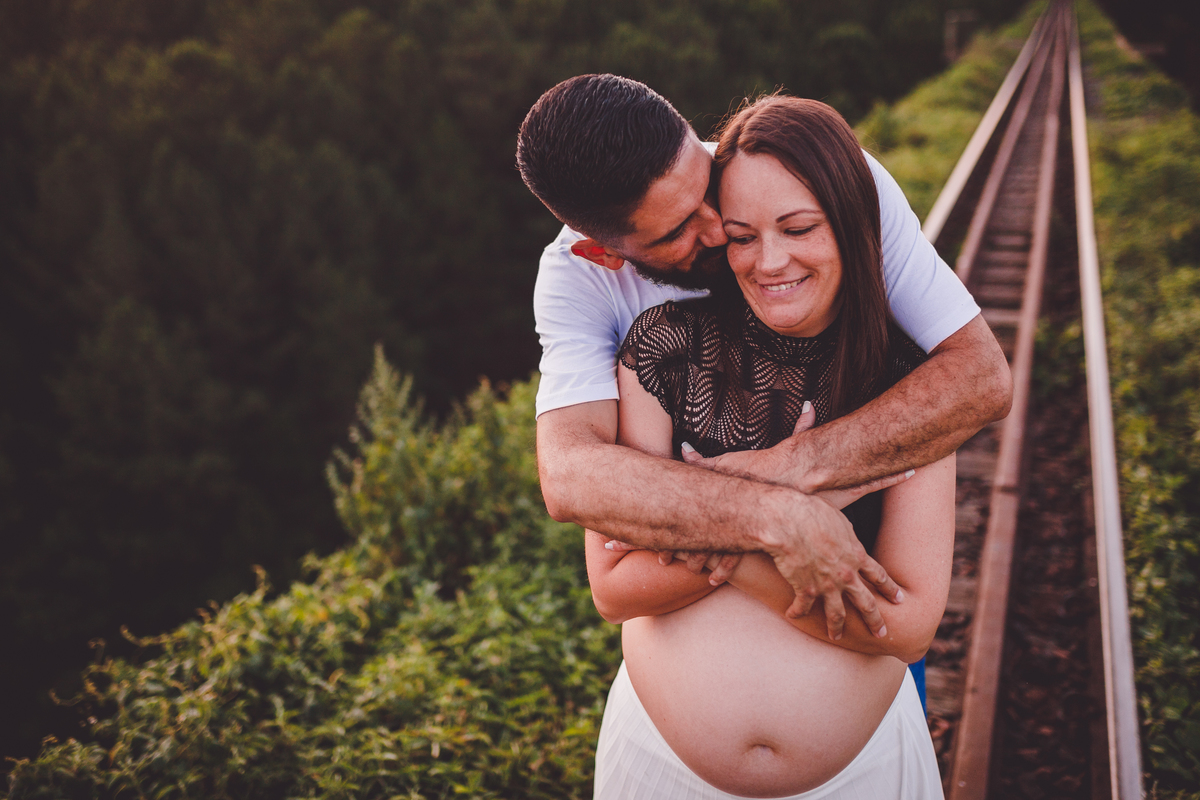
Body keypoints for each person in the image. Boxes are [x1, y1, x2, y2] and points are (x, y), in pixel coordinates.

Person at [516, 74, 1009, 637]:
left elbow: (980, 376)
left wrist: (786, 468)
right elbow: (571, 473)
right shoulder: (575, 280)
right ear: (604, 254)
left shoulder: (825, 178)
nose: (719, 229)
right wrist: (768, 516)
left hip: (854, 575)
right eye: (679, 229)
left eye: (707, 185)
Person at [587, 94, 954, 799]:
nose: (769, 260)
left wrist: (709, 527)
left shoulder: (909, 384)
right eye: (743, 235)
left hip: (863, 774)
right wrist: (779, 521)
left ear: (849, 223)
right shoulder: (663, 349)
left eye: (798, 227)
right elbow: (613, 586)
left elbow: (908, 629)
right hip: (658, 767)